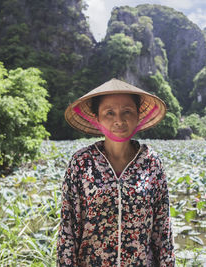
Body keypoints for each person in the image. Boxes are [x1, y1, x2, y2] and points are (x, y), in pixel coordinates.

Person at [57, 78, 175, 266]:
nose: (119, 120)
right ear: (97, 118)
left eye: (127, 111)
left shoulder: (152, 163)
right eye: (109, 113)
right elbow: (67, 230)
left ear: (138, 116)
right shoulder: (81, 163)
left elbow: (163, 230)